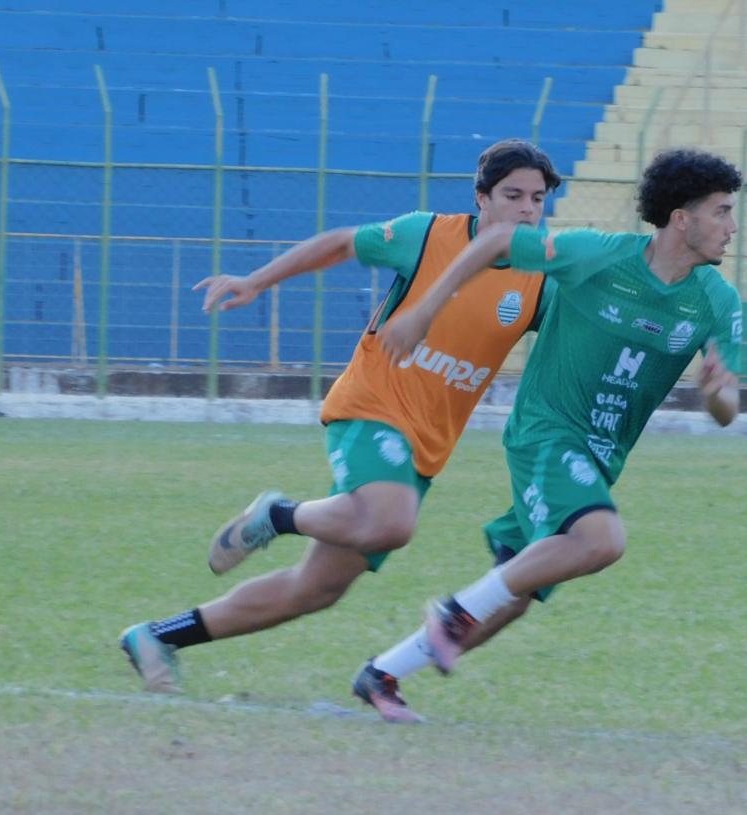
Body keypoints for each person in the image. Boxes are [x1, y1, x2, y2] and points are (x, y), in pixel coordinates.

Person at [118, 140, 563, 720]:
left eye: (537, 199)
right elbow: (339, 244)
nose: (527, 210)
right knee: (393, 522)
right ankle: (278, 515)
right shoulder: (427, 235)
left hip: (425, 447)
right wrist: (257, 280)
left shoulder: (543, 276)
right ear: (481, 198)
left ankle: (158, 637)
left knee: (315, 590)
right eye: (512, 196)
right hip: (372, 406)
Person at [360, 148, 744, 719]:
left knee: (513, 596)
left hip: (601, 454)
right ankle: (452, 613)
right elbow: (493, 243)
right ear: (681, 219)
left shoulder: (718, 300)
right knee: (601, 541)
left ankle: (382, 674)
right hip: (548, 432)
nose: (732, 228)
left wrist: (716, 394)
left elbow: (729, 408)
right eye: (721, 212)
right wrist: (423, 312)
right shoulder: (598, 256)